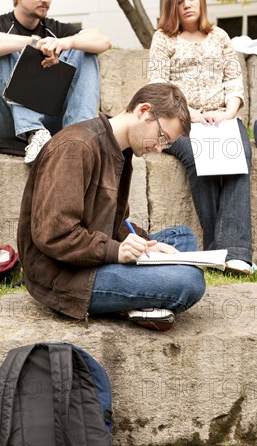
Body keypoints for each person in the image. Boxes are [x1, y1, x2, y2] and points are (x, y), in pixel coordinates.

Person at [17, 83, 206, 332]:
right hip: (64, 275)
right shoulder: (76, 147)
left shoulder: (119, 149)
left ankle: (138, 299)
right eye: (162, 137)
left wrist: (141, 241)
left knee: (183, 239)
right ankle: (136, 301)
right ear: (144, 111)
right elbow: (54, 234)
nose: (159, 148)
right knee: (189, 281)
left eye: (166, 144)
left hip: (92, 252)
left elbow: (113, 221)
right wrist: (117, 252)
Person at [148, 0, 257, 276]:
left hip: (221, 117)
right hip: (178, 121)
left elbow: (235, 82)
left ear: (201, 0)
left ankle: (234, 253)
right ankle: (218, 250)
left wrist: (228, 114)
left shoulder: (220, 37)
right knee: (200, 154)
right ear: (172, 6)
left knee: (240, 154)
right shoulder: (163, 39)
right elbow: (157, 85)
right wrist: (192, 115)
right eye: (180, 0)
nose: (187, 4)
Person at [0, 0, 111, 164]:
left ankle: (80, 135)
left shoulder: (54, 29)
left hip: (50, 118)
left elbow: (103, 41)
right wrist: (33, 43)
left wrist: (65, 43)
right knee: (2, 46)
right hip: (2, 120)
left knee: (85, 47)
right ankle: (33, 131)